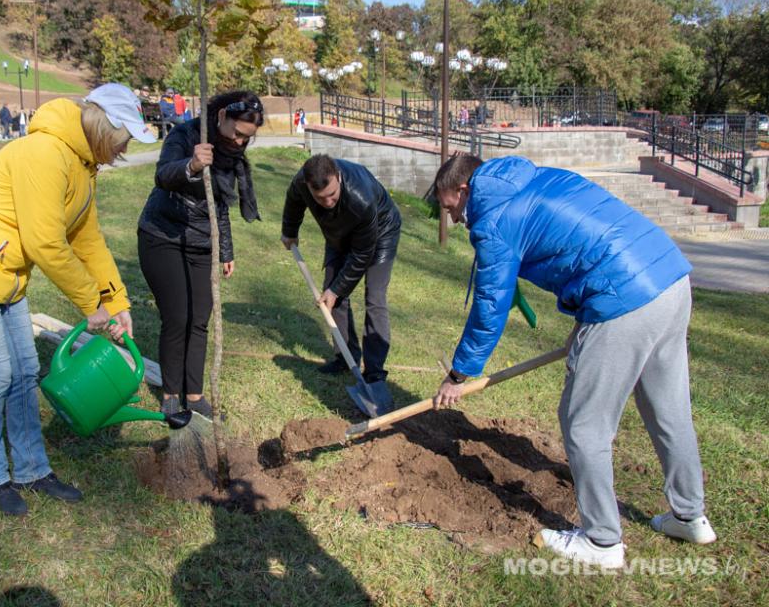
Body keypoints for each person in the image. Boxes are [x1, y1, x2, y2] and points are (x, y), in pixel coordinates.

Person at [431, 153, 716, 569]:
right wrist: (585, 318)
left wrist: (459, 374)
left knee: (583, 422)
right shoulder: (537, 179)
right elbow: (587, 240)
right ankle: (689, 517)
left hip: (622, 297)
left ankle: (602, 541)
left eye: (450, 208)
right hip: (668, 278)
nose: (455, 219)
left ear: (463, 189)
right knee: (668, 410)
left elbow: (490, 305)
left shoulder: (493, 217)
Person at [0, 83, 156, 516]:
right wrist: (91, 305)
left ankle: (32, 469)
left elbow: (87, 240)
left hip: (5, 275)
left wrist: (116, 300)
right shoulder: (45, 153)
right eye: (123, 140)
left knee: (26, 371)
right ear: (105, 128)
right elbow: (46, 243)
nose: (123, 151)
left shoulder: (83, 165)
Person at [137, 91, 264, 418]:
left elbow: (219, 204)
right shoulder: (185, 135)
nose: (239, 143)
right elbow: (163, 176)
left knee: (199, 319)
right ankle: (171, 394)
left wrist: (226, 250)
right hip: (164, 236)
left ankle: (194, 395)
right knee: (177, 317)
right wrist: (191, 164)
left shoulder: (231, 152)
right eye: (237, 133)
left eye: (247, 138)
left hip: (203, 243)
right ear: (221, 116)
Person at [280, 154, 401, 413]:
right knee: (331, 297)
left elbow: (362, 254)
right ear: (309, 186)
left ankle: (374, 373)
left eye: (332, 195)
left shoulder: (361, 198)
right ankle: (346, 357)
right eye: (320, 198)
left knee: (374, 297)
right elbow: (294, 200)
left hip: (380, 234)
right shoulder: (302, 182)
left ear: (338, 177)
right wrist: (289, 230)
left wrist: (337, 289)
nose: (327, 202)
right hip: (339, 234)